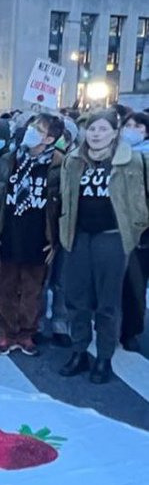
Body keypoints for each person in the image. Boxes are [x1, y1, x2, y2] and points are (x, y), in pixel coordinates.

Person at [57, 111, 149, 383]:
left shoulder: (131, 160)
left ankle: (104, 357)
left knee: (108, 303)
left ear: (114, 132)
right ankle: (79, 350)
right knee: (77, 299)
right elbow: (66, 196)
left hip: (112, 236)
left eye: (102, 128)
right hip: (79, 235)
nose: (95, 134)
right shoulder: (73, 161)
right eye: (91, 129)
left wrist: (136, 226)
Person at [0, 113, 63, 357]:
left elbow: (64, 207)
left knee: (32, 291)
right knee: (4, 288)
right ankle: (5, 333)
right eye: (31, 127)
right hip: (8, 233)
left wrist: (56, 240)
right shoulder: (9, 160)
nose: (30, 131)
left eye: (38, 129)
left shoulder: (58, 165)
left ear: (49, 139)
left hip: (38, 238)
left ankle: (26, 333)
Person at [119, 111, 149, 350]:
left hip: (142, 233)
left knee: (135, 284)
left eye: (137, 126)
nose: (131, 129)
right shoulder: (116, 155)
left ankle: (130, 330)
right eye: (127, 125)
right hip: (115, 227)